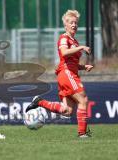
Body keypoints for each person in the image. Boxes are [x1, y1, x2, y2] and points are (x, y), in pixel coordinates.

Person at [26, 10, 94, 138]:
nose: (74, 25)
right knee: (83, 99)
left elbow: (72, 62)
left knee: (66, 110)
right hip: (67, 73)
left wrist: (84, 67)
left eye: (76, 22)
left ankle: (40, 102)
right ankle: (82, 133)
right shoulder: (64, 38)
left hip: (69, 73)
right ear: (66, 25)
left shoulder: (75, 42)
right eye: (71, 22)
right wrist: (81, 48)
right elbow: (64, 53)